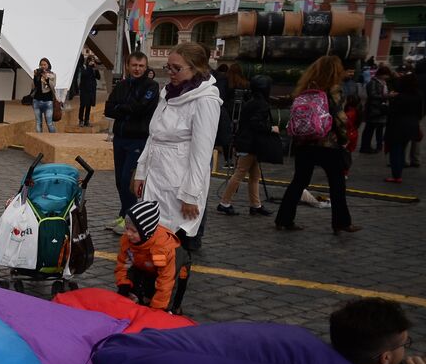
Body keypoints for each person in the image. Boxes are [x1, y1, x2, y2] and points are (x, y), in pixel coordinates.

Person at [131, 44, 221, 247]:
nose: (170, 72)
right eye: (168, 67)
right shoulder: (169, 93)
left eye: (176, 68)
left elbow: (202, 154)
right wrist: (140, 172)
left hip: (179, 183)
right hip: (156, 177)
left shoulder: (205, 101)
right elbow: (153, 135)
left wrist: (190, 196)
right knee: (151, 237)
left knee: (172, 242)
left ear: (196, 68)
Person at [274, 56, 358, 234]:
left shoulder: (306, 88)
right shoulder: (334, 90)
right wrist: (344, 139)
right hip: (327, 143)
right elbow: (340, 118)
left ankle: (284, 219)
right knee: (337, 183)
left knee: (299, 181)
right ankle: (341, 222)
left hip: (304, 142)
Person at [103, 51, 159, 233]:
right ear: (128, 66)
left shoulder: (152, 86)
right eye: (134, 65)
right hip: (120, 138)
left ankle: (131, 218)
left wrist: (122, 108)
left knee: (129, 179)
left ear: (146, 67)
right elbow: (109, 109)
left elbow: (141, 109)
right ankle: (123, 214)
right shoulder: (122, 85)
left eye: (141, 66)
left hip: (138, 140)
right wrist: (127, 108)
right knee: (120, 180)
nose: (137, 69)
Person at [115, 199, 190, 314]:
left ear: (146, 232)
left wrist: (157, 310)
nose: (128, 234)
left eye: (134, 231)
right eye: (126, 228)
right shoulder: (127, 240)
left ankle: (175, 309)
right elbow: (123, 264)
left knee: (170, 295)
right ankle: (140, 297)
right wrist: (123, 283)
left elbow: (165, 281)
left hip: (175, 268)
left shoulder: (161, 249)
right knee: (139, 293)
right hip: (147, 265)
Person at [217, 74, 275, 217]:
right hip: (250, 144)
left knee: (255, 176)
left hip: (250, 144)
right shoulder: (261, 104)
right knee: (240, 174)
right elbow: (256, 123)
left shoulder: (251, 101)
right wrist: (271, 129)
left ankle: (255, 205)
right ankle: (224, 203)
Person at [383, 74, 423, 185]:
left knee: (396, 151)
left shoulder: (400, 97)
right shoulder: (418, 95)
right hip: (412, 126)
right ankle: (398, 173)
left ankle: (396, 175)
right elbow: (420, 112)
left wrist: (387, 104)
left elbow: (391, 112)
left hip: (397, 127)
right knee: (402, 149)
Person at [360, 65, 390, 154]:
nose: (387, 77)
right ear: (381, 74)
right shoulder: (373, 82)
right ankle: (365, 147)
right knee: (369, 129)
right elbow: (372, 95)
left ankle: (377, 146)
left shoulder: (383, 82)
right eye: (386, 75)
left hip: (380, 109)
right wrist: (386, 96)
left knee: (378, 129)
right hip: (374, 109)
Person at [30, 57, 57, 133]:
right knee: (38, 123)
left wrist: (47, 79)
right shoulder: (38, 74)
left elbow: (53, 86)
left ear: (48, 65)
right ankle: (39, 140)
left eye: (45, 64)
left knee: (49, 123)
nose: (43, 66)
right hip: (37, 101)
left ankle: (54, 139)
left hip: (48, 101)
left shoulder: (52, 75)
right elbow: (33, 87)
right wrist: (35, 76)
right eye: (41, 65)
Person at [76, 56, 99, 127]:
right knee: (83, 105)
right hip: (84, 89)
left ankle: (87, 121)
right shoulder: (84, 67)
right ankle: (80, 120)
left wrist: (96, 69)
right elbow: (84, 74)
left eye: (93, 60)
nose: (92, 62)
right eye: (91, 60)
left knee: (89, 106)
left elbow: (98, 77)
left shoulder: (93, 69)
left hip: (91, 90)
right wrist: (89, 67)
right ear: (88, 61)